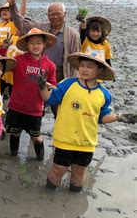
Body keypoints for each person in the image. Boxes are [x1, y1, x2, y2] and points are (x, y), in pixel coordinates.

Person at [39, 51, 135, 192]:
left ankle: (74, 197)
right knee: (59, 169)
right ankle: (47, 194)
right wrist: (42, 87)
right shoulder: (67, 84)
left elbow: (101, 117)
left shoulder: (104, 94)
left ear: (100, 70)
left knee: (79, 171)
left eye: (90, 66)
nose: (84, 69)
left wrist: (119, 116)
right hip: (65, 138)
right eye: (82, 65)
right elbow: (50, 99)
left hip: (86, 142)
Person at [0, 28, 57, 161]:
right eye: (32, 43)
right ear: (26, 45)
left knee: (36, 137)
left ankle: (40, 159)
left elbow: (53, 86)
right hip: (16, 106)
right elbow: (2, 63)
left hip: (35, 109)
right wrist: (4, 48)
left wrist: (47, 85)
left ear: (44, 45)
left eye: (38, 43)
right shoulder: (18, 60)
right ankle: (13, 156)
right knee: (15, 133)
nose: (35, 46)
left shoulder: (50, 65)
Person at [5, 0, 80, 82]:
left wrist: (72, 82)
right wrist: (12, 5)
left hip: (62, 76)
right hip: (39, 73)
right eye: (51, 14)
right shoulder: (40, 28)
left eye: (58, 14)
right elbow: (22, 25)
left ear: (65, 14)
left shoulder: (73, 35)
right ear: (47, 15)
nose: (55, 17)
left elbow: (76, 61)